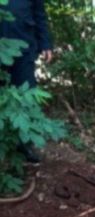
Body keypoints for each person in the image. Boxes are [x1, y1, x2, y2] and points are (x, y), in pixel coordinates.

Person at [0, 0, 53, 163]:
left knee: (26, 95)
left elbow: (39, 15)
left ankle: (24, 147)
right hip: (2, 48)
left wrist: (46, 44)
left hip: (24, 48)